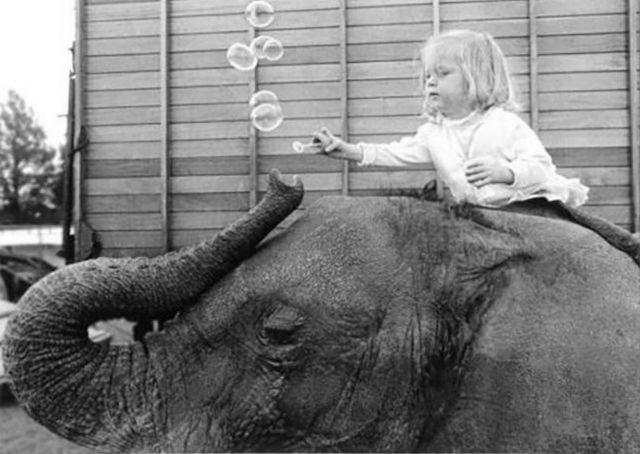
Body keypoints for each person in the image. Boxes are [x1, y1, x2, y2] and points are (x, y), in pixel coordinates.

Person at [311, 29, 588, 209]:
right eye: (427, 76)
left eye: (442, 74)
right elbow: (394, 153)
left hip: (531, 209)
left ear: (476, 79)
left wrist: (506, 173)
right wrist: (346, 150)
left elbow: (541, 168)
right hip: (482, 217)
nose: (430, 82)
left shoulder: (504, 124)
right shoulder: (433, 133)